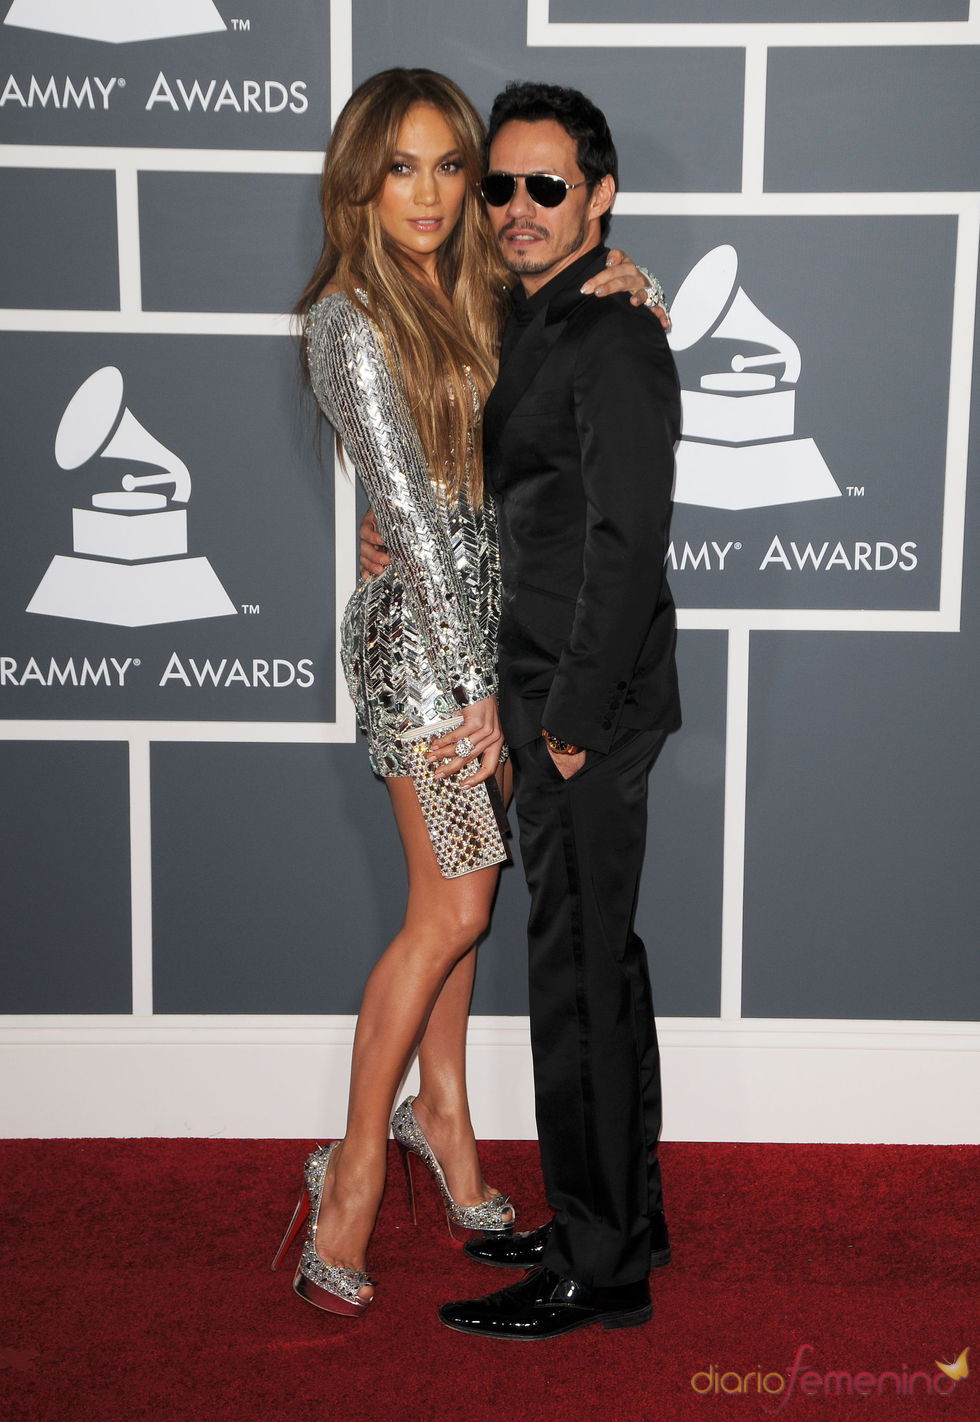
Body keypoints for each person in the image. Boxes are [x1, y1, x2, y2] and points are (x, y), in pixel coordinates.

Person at [271, 67, 662, 1318]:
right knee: (450, 917)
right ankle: (350, 1174)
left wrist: (632, 278)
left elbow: (566, 369)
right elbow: (421, 526)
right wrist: (469, 693)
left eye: (459, 167)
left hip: (497, 652)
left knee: (471, 912)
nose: (446, 195)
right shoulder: (347, 317)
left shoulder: (485, 287)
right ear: (360, 185)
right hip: (431, 655)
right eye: (410, 168)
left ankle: (441, 1117)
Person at [433, 82, 682, 1340]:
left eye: (546, 187)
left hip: (583, 698)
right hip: (550, 688)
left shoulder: (616, 334)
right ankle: (619, 1215)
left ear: (598, 196)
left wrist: (571, 715)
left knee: (574, 980)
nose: (517, 209)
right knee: (601, 967)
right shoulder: (536, 315)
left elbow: (627, 536)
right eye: (502, 186)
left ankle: (600, 1267)